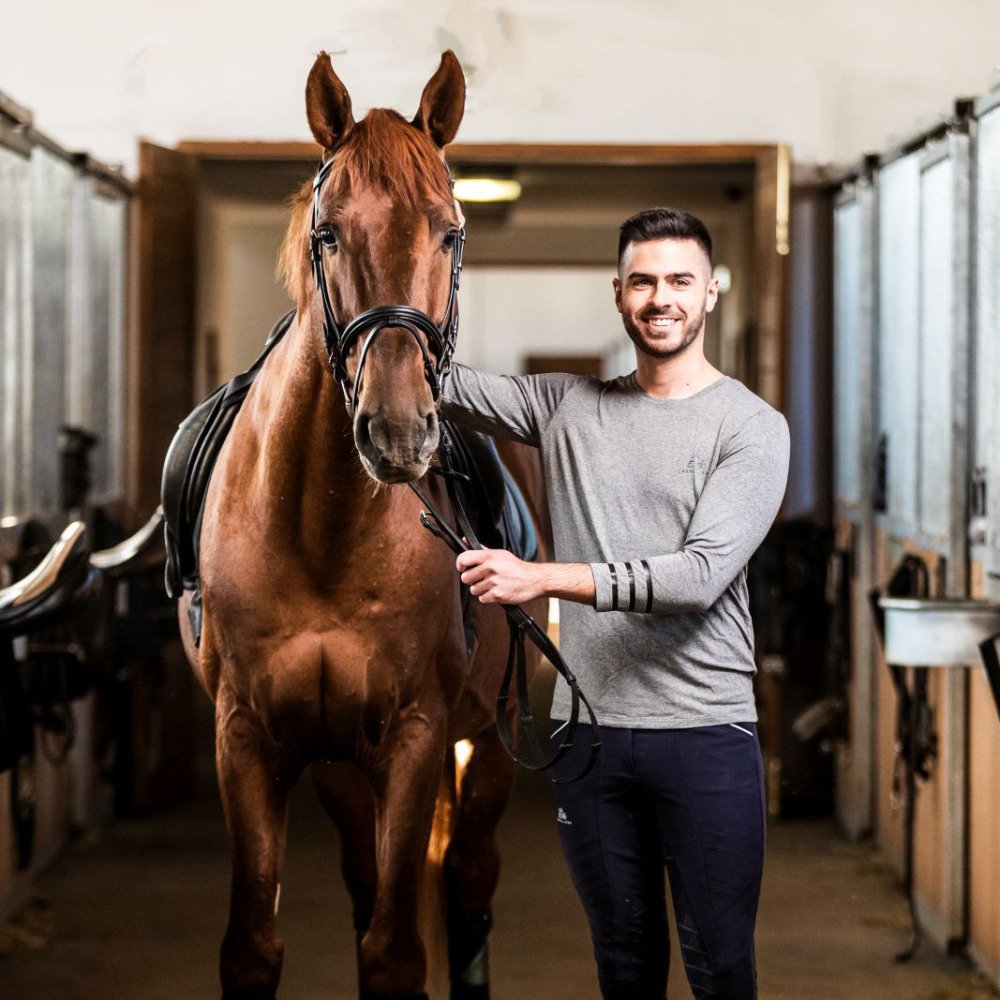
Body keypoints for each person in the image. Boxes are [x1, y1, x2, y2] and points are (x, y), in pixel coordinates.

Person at [440, 206, 789, 999]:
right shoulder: (565, 405)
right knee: (624, 972)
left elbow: (697, 577)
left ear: (708, 296)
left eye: (678, 281)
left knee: (722, 970)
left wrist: (544, 577)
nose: (659, 297)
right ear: (618, 293)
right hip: (588, 741)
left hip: (704, 735)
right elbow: (430, 377)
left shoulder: (750, 428)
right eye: (642, 281)